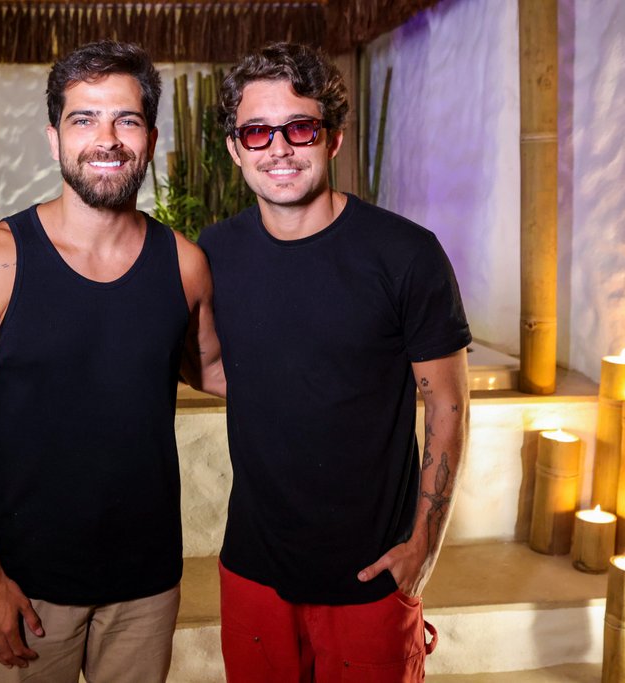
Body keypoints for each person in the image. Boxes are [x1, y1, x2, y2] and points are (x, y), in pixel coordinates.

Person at [0, 41, 219, 683]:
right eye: (84, 119)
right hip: (29, 584)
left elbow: (215, 370)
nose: (106, 139)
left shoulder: (183, 263)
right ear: (54, 137)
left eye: (126, 119)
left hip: (146, 582)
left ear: (150, 138)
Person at [197, 43, 471, 682]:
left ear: (333, 137)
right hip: (253, 567)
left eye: (300, 128)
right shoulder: (215, 252)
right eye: (257, 132)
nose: (279, 149)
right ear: (235, 148)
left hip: (370, 572)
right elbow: (209, 366)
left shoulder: (406, 254)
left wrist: (424, 544)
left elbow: (447, 403)